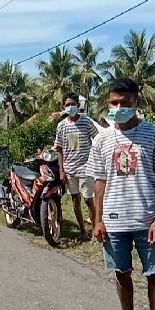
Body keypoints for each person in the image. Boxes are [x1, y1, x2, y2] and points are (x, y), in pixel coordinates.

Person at [88, 78, 155, 310]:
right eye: (114, 103)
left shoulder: (154, 135)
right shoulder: (101, 139)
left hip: (146, 220)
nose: (119, 107)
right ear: (107, 103)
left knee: (154, 274)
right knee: (121, 273)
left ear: (136, 103)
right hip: (114, 221)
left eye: (125, 103)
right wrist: (98, 220)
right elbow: (99, 182)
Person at [53, 92, 99, 241]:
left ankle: (96, 228)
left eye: (73, 104)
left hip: (86, 168)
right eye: (67, 105)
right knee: (75, 200)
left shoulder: (86, 122)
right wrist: (61, 170)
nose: (70, 107)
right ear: (63, 107)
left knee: (88, 199)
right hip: (69, 169)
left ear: (78, 105)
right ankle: (82, 230)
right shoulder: (61, 126)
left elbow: (98, 140)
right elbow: (59, 149)